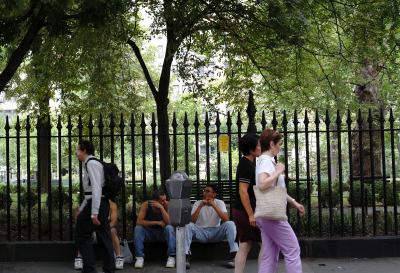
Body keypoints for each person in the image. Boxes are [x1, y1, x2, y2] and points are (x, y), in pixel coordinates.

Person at [256, 129, 305, 273]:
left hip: (265, 214)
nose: (280, 146)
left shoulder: (264, 160)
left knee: (269, 255)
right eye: (279, 143)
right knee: (292, 249)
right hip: (273, 216)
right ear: (272, 144)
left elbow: (276, 189)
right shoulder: (266, 161)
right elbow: (263, 184)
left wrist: (294, 202)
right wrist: (278, 171)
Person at [75, 140, 115, 273]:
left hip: (96, 204)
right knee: (105, 237)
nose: (76, 153)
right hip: (98, 203)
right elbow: (90, 192)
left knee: (82, 234)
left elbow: (97, 189)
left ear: (84, 150)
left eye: (77, 150)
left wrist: (94, 213)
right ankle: (108, 269)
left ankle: (89, 269)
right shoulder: (90, 163)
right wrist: (81, 209)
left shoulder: (91, 164)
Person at [185, 184, 238, 269]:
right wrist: (200, 206)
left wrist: (213, 205)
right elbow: (192, 221)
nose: (204, 193)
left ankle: (235, 257)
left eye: (207, 191)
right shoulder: (197, 203)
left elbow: (226, 219)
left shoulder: (219, 203)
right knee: (188, 225)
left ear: (214, 194)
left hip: (215, 232)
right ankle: (186, 257)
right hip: (201, 232)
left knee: (230, 224)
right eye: (204, 191)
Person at [233, 133, 263, 273]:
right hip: (246, 211)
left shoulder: (249, 163)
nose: (260, 147)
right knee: (265, 244)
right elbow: (243, 192)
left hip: (242, 210)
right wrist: (251, 214)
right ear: (251, 149)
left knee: (245, 245)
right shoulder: (246, 165)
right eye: (258, 145)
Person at [74, 199, 124, 270]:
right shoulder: (86, 203)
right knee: (82, 231)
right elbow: (78, 221)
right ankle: (79, 257)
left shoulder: (112, 205)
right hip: (91, 230)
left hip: (105, 231)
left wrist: (103, 229)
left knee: (112, 231)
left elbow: (114, 222)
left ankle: (119, 257)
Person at [133, 190, 176, 269]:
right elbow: (139, 221)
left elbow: (169, 222)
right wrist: (156, 222)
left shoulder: (166, 205)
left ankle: (171, 257)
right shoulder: (146, 205)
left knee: (169, 228)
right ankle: (139, 257)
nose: (164, 202)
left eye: (165, 199)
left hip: (162, 233)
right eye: (162, 201)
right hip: (149, 233)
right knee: (138, 229)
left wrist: (162, 209)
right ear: (154, 201)